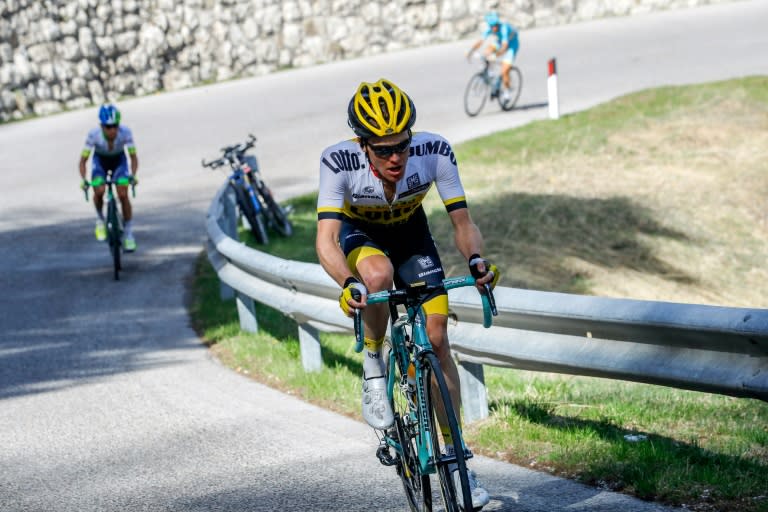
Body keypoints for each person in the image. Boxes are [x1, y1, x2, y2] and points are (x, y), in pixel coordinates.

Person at [315, 78, 499, 510]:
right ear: (363, 146)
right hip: (363, 235)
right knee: (376, 274)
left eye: (401, 145)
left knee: (437, 339)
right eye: (383, 150)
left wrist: (475, 260)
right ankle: (375, 364)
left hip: (412, 236)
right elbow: (326, 240)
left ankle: (456, 459)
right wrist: (348, 283)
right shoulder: (338, 161)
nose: (396, 157)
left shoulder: (434, 151)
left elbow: (462, 223)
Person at [79, 104, 139, 251]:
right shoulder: (94, 135)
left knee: (123, 194)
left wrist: (133, 176)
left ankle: (129, 234)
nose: (112, 130)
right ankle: (100, 219)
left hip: (119, 161)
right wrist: (84, 180)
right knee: (99, 190)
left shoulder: (125, 133)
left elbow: (133, 157)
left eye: (115, 126)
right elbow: (83, 161)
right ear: (102, 126)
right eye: (108, 126)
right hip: (100, 162)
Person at [468, 11, 520, 102]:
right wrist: (471, 51)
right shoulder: (490, 28)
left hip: (512, 45)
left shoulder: (503, 28)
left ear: (497, 23)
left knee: (504, 70)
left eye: (495, 25)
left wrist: (495, 55)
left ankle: (507, 93)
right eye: (491, 26)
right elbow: (480, 41)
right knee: (487, 52)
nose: (494, 28)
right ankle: (490, 73)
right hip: (501, 42)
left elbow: (504, 47)